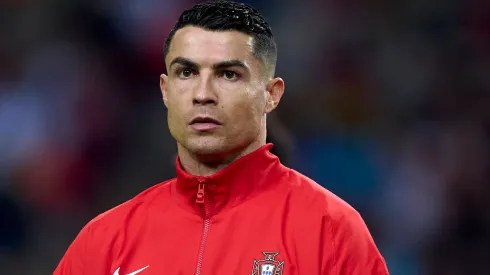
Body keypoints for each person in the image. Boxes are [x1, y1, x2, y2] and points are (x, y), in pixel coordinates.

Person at [54, 1, 389, 274]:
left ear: (271, 95)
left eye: (228, 74)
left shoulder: (330, 231)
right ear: (166, 91)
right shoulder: (104, 242)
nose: (203, 94)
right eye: (186, 73)